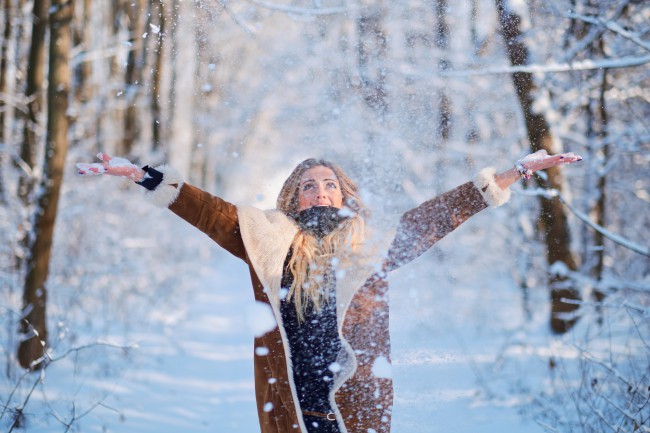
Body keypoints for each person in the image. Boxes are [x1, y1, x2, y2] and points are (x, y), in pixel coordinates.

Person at [77, 150, 582, 433]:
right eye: (309, 185)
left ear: (345, 193)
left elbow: (432, 219)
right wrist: (148, 178)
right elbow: (212, 213)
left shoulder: (374, 243)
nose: (321, 191)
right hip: (291, 403)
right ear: (294, 197)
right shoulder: (269, 240)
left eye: (329, 184)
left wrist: (506, 176)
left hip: (355, 403)